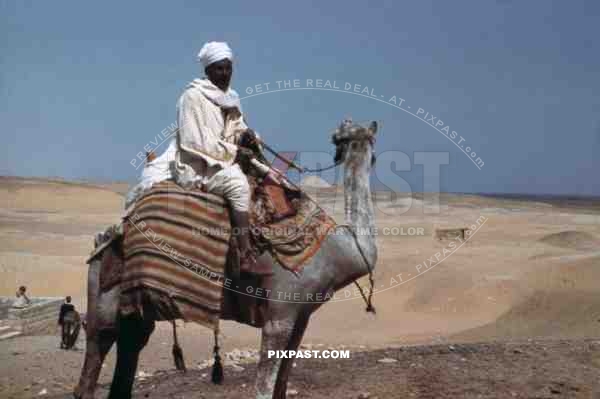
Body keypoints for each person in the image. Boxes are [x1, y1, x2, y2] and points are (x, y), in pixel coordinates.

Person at [125, 41, 279, 275]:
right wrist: (235, 152)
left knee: (273, 178)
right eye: (219, 68)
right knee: (238, 186)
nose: (225, 73)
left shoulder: (230, 98)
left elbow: (235, 129)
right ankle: (245, 254)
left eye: (228, 68)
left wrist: (248, 137)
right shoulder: (192, 97)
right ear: (208, 71)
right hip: (197, 165)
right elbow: (193, 141)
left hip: (226, 158)